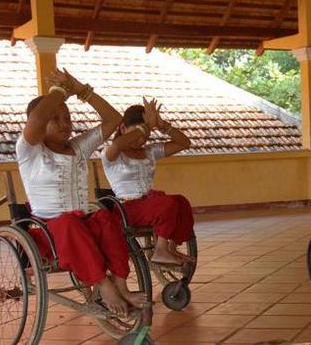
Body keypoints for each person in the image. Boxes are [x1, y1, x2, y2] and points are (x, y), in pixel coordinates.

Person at [16, 68, 147, 317]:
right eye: (55, 118)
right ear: (41, 123)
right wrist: (59, 91)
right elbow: (35, 120)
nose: (65, 123)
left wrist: (82, 91)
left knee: (105, 218)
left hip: (82, 224)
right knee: (68, 222)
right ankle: (103, 285)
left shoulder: (78, 147)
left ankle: (121, 285)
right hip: (49, 231)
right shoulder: (30, 150)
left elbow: (113, 119)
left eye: (67, 117)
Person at [101, 99, 194, 265]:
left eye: (146, 136)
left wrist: (162, 125)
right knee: (168, 203)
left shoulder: (150, 151)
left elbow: (184, 143)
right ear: (122, 128)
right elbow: (117, 144)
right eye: (137, 135)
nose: (142, 140)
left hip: (150, 204)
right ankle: (160, 250)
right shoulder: (111, 154)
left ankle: (170, 247)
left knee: (181, 202)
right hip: (127, 208)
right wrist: (145, 126)